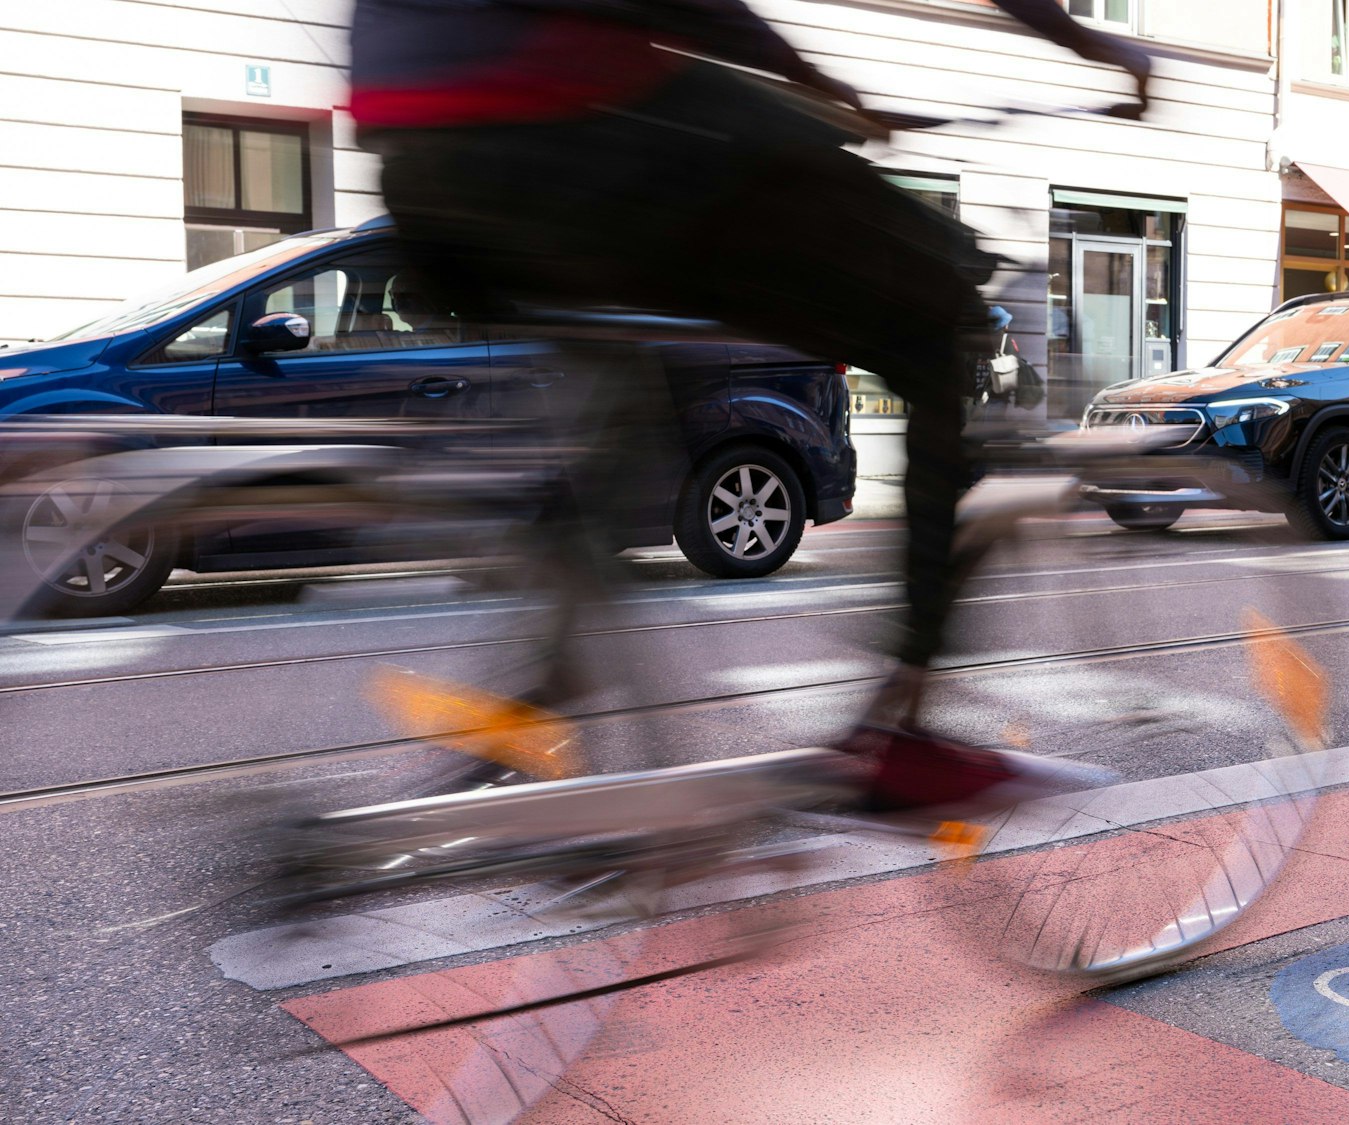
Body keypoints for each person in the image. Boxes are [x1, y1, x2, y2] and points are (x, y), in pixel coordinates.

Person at [348, 0, 1152, 816]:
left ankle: (553, 672)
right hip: (571, 139)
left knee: (636, 368)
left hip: (423, 184)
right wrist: (1087, 43)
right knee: (943, 320)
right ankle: (899, 732)